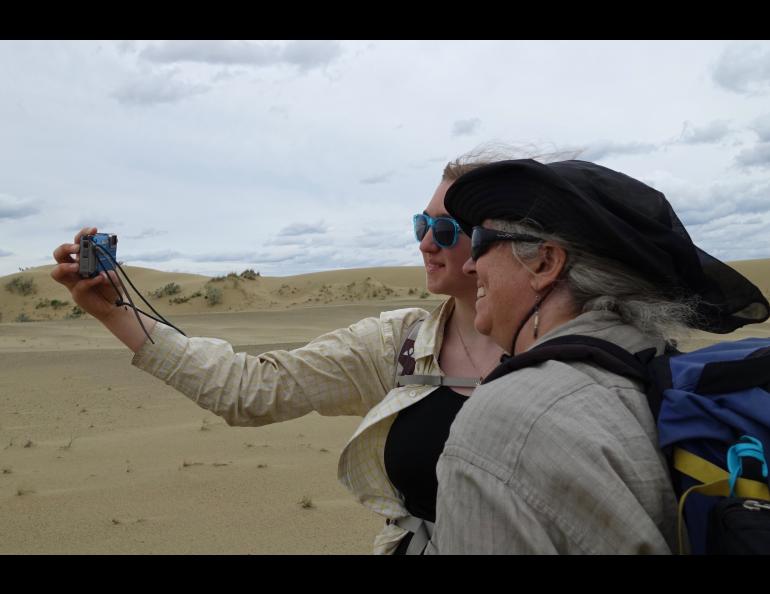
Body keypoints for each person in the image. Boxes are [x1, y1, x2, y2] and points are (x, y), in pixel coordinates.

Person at [50, 160, 506, 555]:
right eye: (420, 225)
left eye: (445, 231)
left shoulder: (567, 353)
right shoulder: (400, 345)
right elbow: (250, 390)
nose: (425, 244)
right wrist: (114, 313)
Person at [424, 159, 769, 554]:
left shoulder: (506, 420)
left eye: (482, 241)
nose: (470, 265)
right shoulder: (657, 366)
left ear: (544, 262)